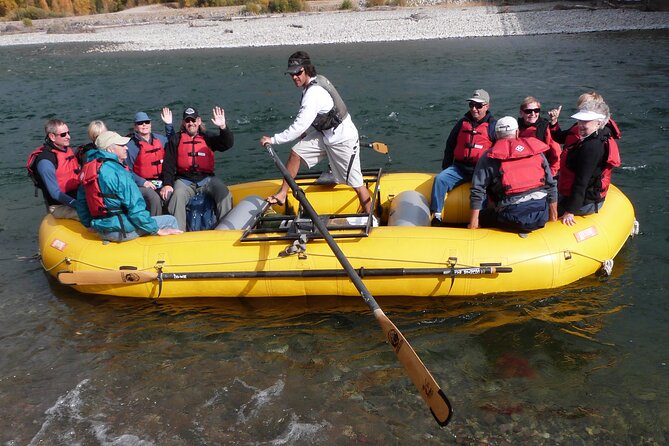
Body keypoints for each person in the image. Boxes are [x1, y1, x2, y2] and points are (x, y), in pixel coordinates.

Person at [259, 51, 372, 214]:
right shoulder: (312, 85)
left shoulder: (313, 93)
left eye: (298, 72)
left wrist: (273, 140)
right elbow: (321, 115)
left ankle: (371, 220)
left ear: (307, 70)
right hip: (326, 135)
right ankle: (283, 193)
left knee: (357, 185)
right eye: (292, 74)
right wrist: (308, 131)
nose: (294, 77)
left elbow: (299, 126)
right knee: (296, 153)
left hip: (343, 139)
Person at [76, 131, 182, 242]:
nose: (126, 148)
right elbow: (135, 208)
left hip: (101, 229)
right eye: (121, 145)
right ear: (110, 150)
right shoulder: (119, 172)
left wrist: (89, 224)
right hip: (120, 231)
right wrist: (156, 230)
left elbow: (82, 203)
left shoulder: (89, 169)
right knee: (170, 220)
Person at [468, 117, 558, 233]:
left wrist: (473, 224)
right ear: (517, 132)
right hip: (541, 215)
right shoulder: (536, 152)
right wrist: (553, 218)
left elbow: (477, 190)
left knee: (484, 216)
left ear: (496, 135)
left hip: (512, 217)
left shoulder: (489, 156)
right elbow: (551, 185)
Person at [160, 106, 234, 231]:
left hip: (207, 179)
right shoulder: (176, 139)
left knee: (224, 193)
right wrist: (167, 184)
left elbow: (227, 144)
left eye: (193, 120)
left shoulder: (208, 137)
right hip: (185, 181)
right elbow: (168, 164)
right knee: (177, 196)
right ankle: (179, 232)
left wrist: (223, 127)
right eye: (188, 121)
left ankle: (226, 230)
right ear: (184, 123)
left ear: (199, 121)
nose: (191, 123)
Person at [430, 89, 497, 226]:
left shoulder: (493, 126)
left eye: (478, 106)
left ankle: (480, 219)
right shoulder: (462, 123)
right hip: (459, 168)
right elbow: (450, 144)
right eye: (471, 105)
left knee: (482, 191)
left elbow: (499, 151)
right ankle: (437, 216)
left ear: (487, 106)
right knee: (440, 179)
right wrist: (447, 167)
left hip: (480, 170)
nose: (474, 109)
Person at [557, 101, 621, 226]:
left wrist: (570, 211)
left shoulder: (591, 148)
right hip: (587, 197)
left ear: (599, 123)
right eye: (580, 121)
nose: (580, 125)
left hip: (585, 203)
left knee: (544, 210)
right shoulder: (602, 134)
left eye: (585, 121)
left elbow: (582, 181)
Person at [26, 118, 81, 219]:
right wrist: (79, 205)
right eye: (63, 134)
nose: (68, 137)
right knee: (92, 216)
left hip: (77, 198)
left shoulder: (66, 151)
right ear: (52, 136)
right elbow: (55, 193)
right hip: (58, 206)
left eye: (68, 133)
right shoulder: (45, 162)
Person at [125, 108, 174, 216]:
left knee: (172, 194)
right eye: (140, 123)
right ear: (135, 127)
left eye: (147, 122)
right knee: (154, 198)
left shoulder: (161, 139)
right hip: (143, 184)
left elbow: (173, 144)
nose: (144, 125)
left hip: (161, 181)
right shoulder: (130, 146)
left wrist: (169, 125)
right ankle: (155, 226)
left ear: (150, 124)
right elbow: (127, 171)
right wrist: (143, 182)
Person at [548, 91, 622, 147]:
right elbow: (559, 138)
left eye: (584, 108)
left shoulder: (600, 134)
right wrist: (554, 121)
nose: (581, 111)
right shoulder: (579, 126)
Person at [517, 96, 561, 177]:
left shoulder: (545, 127)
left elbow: (556, 154)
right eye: (528, 111)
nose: (533, 114)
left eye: (536, 110)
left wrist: (551, 174)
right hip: (522, 172)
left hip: (542, 173)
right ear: (521, 113)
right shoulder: (516, 128)